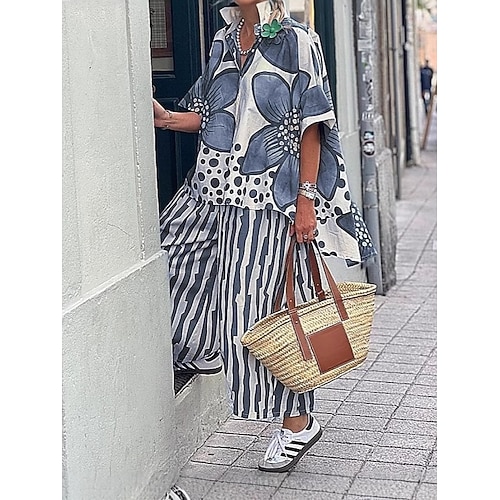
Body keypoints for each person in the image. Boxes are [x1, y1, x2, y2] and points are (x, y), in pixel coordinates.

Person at [153, 0, 376, 473]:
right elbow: (213, 114)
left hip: (267, 197)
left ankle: (298, 423)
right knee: (169, 256)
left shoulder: (298, 40)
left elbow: (313, 127)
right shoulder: (224, 39)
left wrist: (306, 200)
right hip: (210, 187)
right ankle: (200, 348)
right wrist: (168, 119)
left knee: (261, 309)